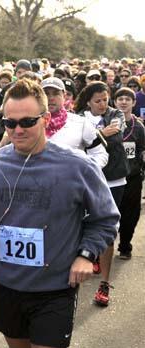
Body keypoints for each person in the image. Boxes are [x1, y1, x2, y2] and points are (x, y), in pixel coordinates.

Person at [0, 79, 119, 348]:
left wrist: (85, 255)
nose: (18, 130)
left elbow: (106, 218)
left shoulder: (77, 165)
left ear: (45, 119)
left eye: (27, 122)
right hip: (7, 285)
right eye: (10, 123)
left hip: (55, 288)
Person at [75, 81, 128, 307]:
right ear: (88, 101)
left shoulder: (117, 114)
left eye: (106, 99)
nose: (103, 105)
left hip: (114, 179)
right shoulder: (77, 118)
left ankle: (104, 283)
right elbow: (78, 144)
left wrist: (95, 134)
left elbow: (115, 138)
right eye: (98, 101)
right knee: (81, 225)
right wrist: (99, 133)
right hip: (85, 180)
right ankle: (88, 256)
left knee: (107, 230)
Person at [40, 77, 108, 168]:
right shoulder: (27, 123)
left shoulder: (81, 123)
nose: (51, 98)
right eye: (46, 94)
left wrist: (84, 172)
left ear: (64, 96)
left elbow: (99, 154)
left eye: (56, 94)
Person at [113, 87, 145, 260]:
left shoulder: (139, 128)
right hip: (111, 178)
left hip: (133, 178)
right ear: (115, 101)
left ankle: (125, 246)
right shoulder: (107, 123)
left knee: (130, 215)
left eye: (127, 99)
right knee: (108, 214)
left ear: (134, 103)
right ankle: (101, 251)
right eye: (120, 99)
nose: (123, 102)